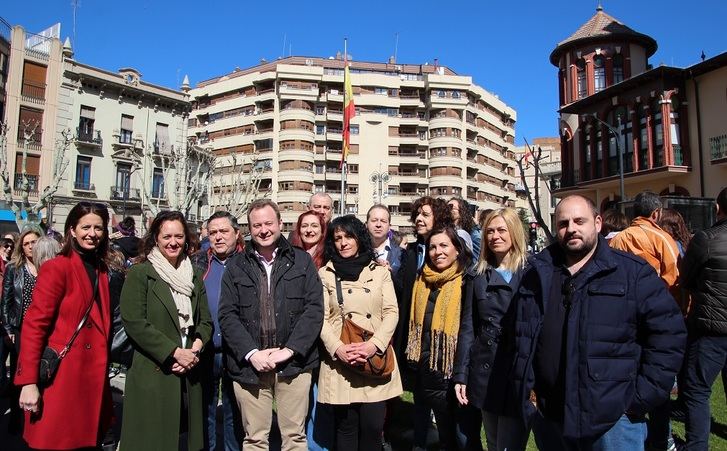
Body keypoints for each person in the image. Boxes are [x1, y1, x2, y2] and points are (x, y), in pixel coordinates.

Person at [511, 195, 686, 451]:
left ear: (598, 223)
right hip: (550, 416)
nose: (571, 228)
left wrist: (639, 398)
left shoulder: (632, 273)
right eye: (563, 223)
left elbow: (669, 335)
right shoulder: (537, 274)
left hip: (613, 421)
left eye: (579, 221)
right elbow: (520, 334)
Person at [218, 199, 324, 451]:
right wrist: (252, 354)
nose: (263, 230)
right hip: (250, 366)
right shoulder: (236, 266)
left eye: (268, 223)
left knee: (294, 438)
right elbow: (227, 315)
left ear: (280, 224)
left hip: (294, 364)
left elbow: (314, 310)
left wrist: (289, 350)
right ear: (249, 228)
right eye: (257, 225)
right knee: (254, 439)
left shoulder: (302, 262)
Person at [15, 202, 114, 450]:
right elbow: (34, 326)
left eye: (99, 228)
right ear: (72, 230)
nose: (92, 233)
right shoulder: (57, 267)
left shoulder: (102, 270)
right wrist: (28, 383)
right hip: (63, 378)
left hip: (92, 378)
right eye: (86, 227)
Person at [119, 211, 213, 451]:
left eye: (179, 236)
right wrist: (173, 352)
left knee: (185, 440)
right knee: (151, 441)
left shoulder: (193, 275)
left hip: (189, 370)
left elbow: (205, 322)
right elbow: (135, 322)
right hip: (154, 371)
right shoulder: (141, 274)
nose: (173, 242)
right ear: (156, 239)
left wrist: (194, 350)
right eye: (167, 236)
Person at [317, 215, 403, 450]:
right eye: (338, 238)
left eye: (349, 236)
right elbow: (320, 318)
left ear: (359, 238)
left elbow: (391, 312)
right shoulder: (325, 274)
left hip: (373, 358)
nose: (343, 243)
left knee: (374, 428)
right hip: (340, 362)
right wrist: (338, 349)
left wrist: (373, 345)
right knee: (345, 429)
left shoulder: (380, 272)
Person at [609, 191, 681, 451]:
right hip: (655, 321)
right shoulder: (663, 238)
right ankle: (662, 438)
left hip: (623, 321)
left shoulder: (618, 240)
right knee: (658, 382)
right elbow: (675, 280)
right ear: (656, 214)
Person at [454, 208, 530, 451]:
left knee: (510, 444)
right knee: (494, 441)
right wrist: (461, 375)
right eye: (489, 231)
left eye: (501, 230)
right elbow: (468, 327)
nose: (495, 236)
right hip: (485, 369)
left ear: (514, 232)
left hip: (519, 369)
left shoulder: (533, 272)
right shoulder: (477, 275)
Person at [406, 226, 481, 450]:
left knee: (464, 439)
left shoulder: (469, 281)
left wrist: (462, 373)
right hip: (428, 374)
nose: (437, 252)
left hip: (458, 375)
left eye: (444, 246)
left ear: (458, 250)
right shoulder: (422, 281)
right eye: (432, 247)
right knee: (446, 439)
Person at [394, 196, 453, 450]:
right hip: (414, 341)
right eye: (416, 214)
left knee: (446, 413)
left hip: (442, 345)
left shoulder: (451, 254)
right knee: (419, 405)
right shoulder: (410, 253)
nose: (418, 218)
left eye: (425, 214)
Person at [192, 211, 244, 451]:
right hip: (205, 350)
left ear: (236, 233)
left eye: (224, 231)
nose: (218, 237)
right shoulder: (196, 263)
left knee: (235, 411)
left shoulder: (248, 262)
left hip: (237, 351)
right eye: (213, 232)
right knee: (206, 409)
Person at [680, 187, 727, 451]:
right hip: (714, 324)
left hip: (711, 328)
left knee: (697, 389)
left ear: (718, 208)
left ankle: (697, 445)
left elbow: (685, 277)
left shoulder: (706, 239)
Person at [289, 209, 332, 450]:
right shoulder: (291, 256)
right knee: (298, 393)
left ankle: (317, 443)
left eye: (314, 226)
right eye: (304, 225)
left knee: (318, 391)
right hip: (296, 333)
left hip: (323, 332)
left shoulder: (328, 257)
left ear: (322, 229)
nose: (309, 230)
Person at [1, 228, 40, 434]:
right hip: (20, 328)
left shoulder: (47, 267)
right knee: (19, 372)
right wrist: (8, 328)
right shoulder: (13, 268)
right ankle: (16, 420)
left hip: (41, 329)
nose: (31, 246)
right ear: (22, 248)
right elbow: (6, 302)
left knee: (39, 372)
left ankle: (35, 419)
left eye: (34, 242)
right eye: (26, 243)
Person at [366, 204, 402, 276]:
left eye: (383, 221)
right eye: (374, 220)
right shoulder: (358, 252)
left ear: (389, 226)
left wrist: (391, 274)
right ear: (366, 224)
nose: (378, 225)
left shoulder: (401, 254)